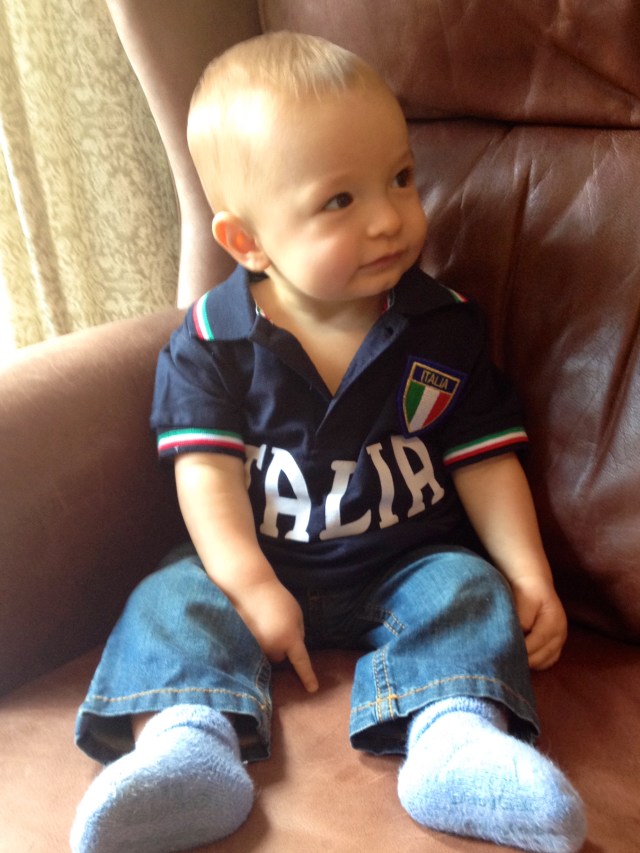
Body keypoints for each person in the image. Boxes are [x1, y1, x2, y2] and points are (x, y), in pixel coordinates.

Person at [70, 31, 586, 853]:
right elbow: (204, 477)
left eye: (402, 178)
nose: (390, 218)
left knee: (468, 588)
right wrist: (248, 584)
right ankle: (185, 745)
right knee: (168, 599)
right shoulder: (211, 341)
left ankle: (455, 739)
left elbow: (485, 459)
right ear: (247, 242)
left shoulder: (442, 325)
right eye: (339, 201)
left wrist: (528, 572)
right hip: (260, 561)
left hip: (406, 562)